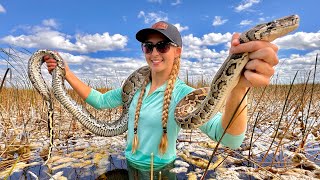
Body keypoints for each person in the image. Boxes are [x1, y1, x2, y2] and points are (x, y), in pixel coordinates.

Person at [44, 21, 278, 179]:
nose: (155, 53)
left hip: (163, 171)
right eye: (148, 46)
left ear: (177, 51)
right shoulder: (134, 86)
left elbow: (228, 139)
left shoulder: (183, 94)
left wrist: (238, 89)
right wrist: (67, 73)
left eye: (163, 45)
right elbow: (100, 100)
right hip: (131, 166)